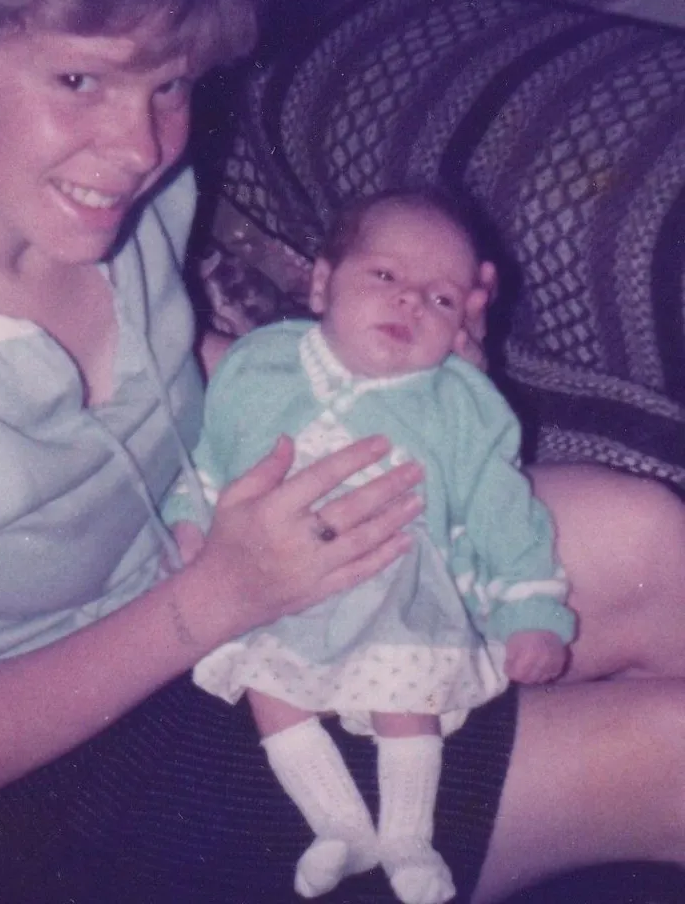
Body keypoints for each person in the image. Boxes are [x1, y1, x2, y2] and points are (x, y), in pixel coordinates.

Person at [0, 0, 685, 902]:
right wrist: (214, 599)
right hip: (60, 771)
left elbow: (188, 366)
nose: (138, 146)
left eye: (168, 85)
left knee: (647, 536)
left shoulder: (109, 195)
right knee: (668, 760)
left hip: (224, 567)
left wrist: (393, 385)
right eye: (79, 79)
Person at [164, 190, 575, 903]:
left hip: (398, 576)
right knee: (268, 683)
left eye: (442, 299)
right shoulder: (260, 364)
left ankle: (408, 838)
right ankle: (338, 825)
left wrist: (532, 614)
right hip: (267, 579)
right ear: (322, 284)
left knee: (407, 684)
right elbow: (210, 456)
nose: (411, 303)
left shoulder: (464, 406)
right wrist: (191, 522)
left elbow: (506, 513)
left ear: (460, 329)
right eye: (384, 277)